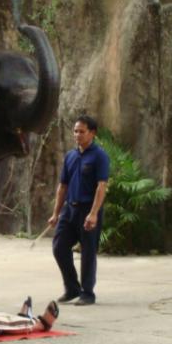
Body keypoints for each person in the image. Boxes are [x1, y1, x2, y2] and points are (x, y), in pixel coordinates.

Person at [48, 114, 109, 306]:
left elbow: (101, 186)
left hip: (88, 210)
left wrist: (93, 213)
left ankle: (87, 293)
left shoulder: (99, 156)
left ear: (92, 133)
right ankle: (72, 288)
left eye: (82, 131)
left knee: (88, 252)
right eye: (75, 131)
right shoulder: (70, 156)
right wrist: (56, 213)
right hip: (70, 209)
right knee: (59, 247)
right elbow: (62, 186)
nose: (77, 135)